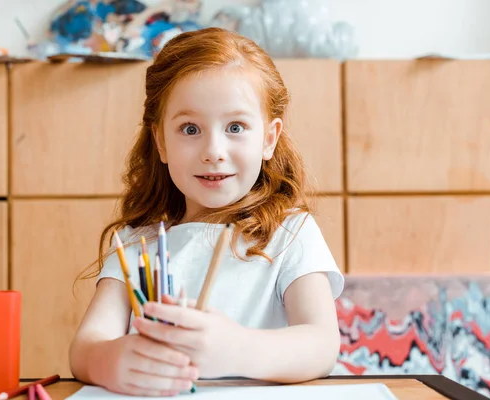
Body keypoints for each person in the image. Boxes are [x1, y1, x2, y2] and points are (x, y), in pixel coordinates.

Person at [69, 27, 345, 397]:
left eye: (235, 127)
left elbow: (322, 345)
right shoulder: (138, 244)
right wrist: (111, 361)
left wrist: (237, 349)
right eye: (190, 128)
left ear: (268, 138)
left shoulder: (291, 233)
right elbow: (85, 347)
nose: (213, 150)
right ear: (160, 142)